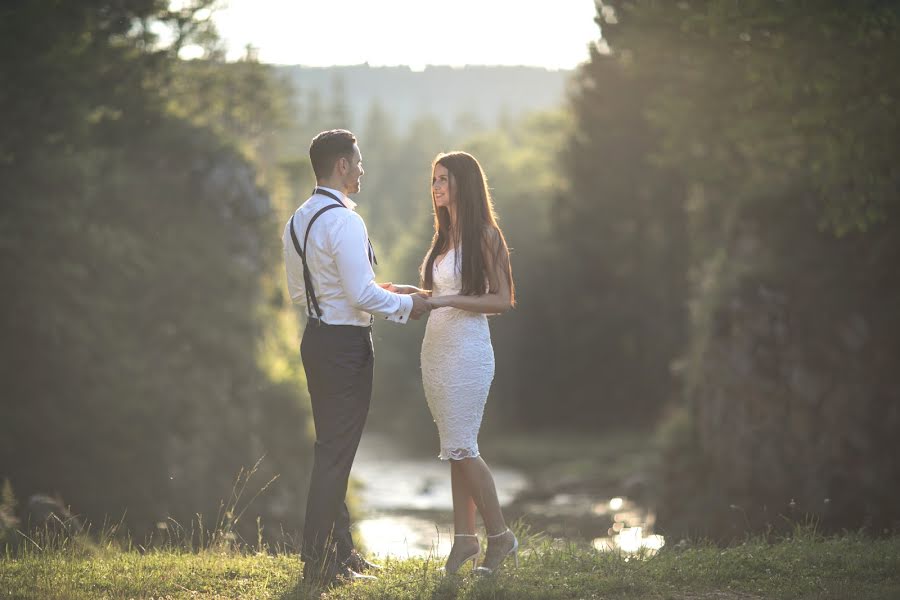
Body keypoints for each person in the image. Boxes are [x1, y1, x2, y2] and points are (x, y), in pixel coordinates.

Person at [282, 129, 430, 585]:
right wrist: (408, 306)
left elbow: (304, 294)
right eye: (358, 160)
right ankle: (319, 564)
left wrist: (381, 292)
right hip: (345, 347)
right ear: (342, 166)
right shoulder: (345, 220)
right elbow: (360, 294)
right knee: (335, 454)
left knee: (333, 449)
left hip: (317, 340)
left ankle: (342, 554)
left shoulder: (297, 219)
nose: (362, 168)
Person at [385, 151, 517, 575]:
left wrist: (446, 300)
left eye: (443, 179)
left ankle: (500, 538)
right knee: (455, 448)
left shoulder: (485, 234)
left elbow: (501, 300)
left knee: (463, 447)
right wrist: (408, 291)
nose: (436, 186)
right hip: (436, 351)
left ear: (464, 182)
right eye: (434, 180)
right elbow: (437, 290)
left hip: (468, 351)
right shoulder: (444, 237)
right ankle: (464, 540)